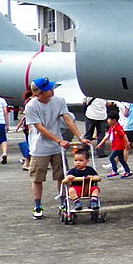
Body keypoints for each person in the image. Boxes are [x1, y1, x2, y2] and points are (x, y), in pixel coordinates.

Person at [24, 77, 84, 219]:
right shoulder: (31, 106)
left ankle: (63, 202)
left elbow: (67, 119)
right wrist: (59, 140)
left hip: (57, 148)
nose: (51, 91)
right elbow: (39, 127)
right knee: (37, 178)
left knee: (61, 176)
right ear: (39, 93)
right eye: (47, 90)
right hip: (40, 148)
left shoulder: (59, 100)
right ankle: (37, 205)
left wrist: (79, 137)